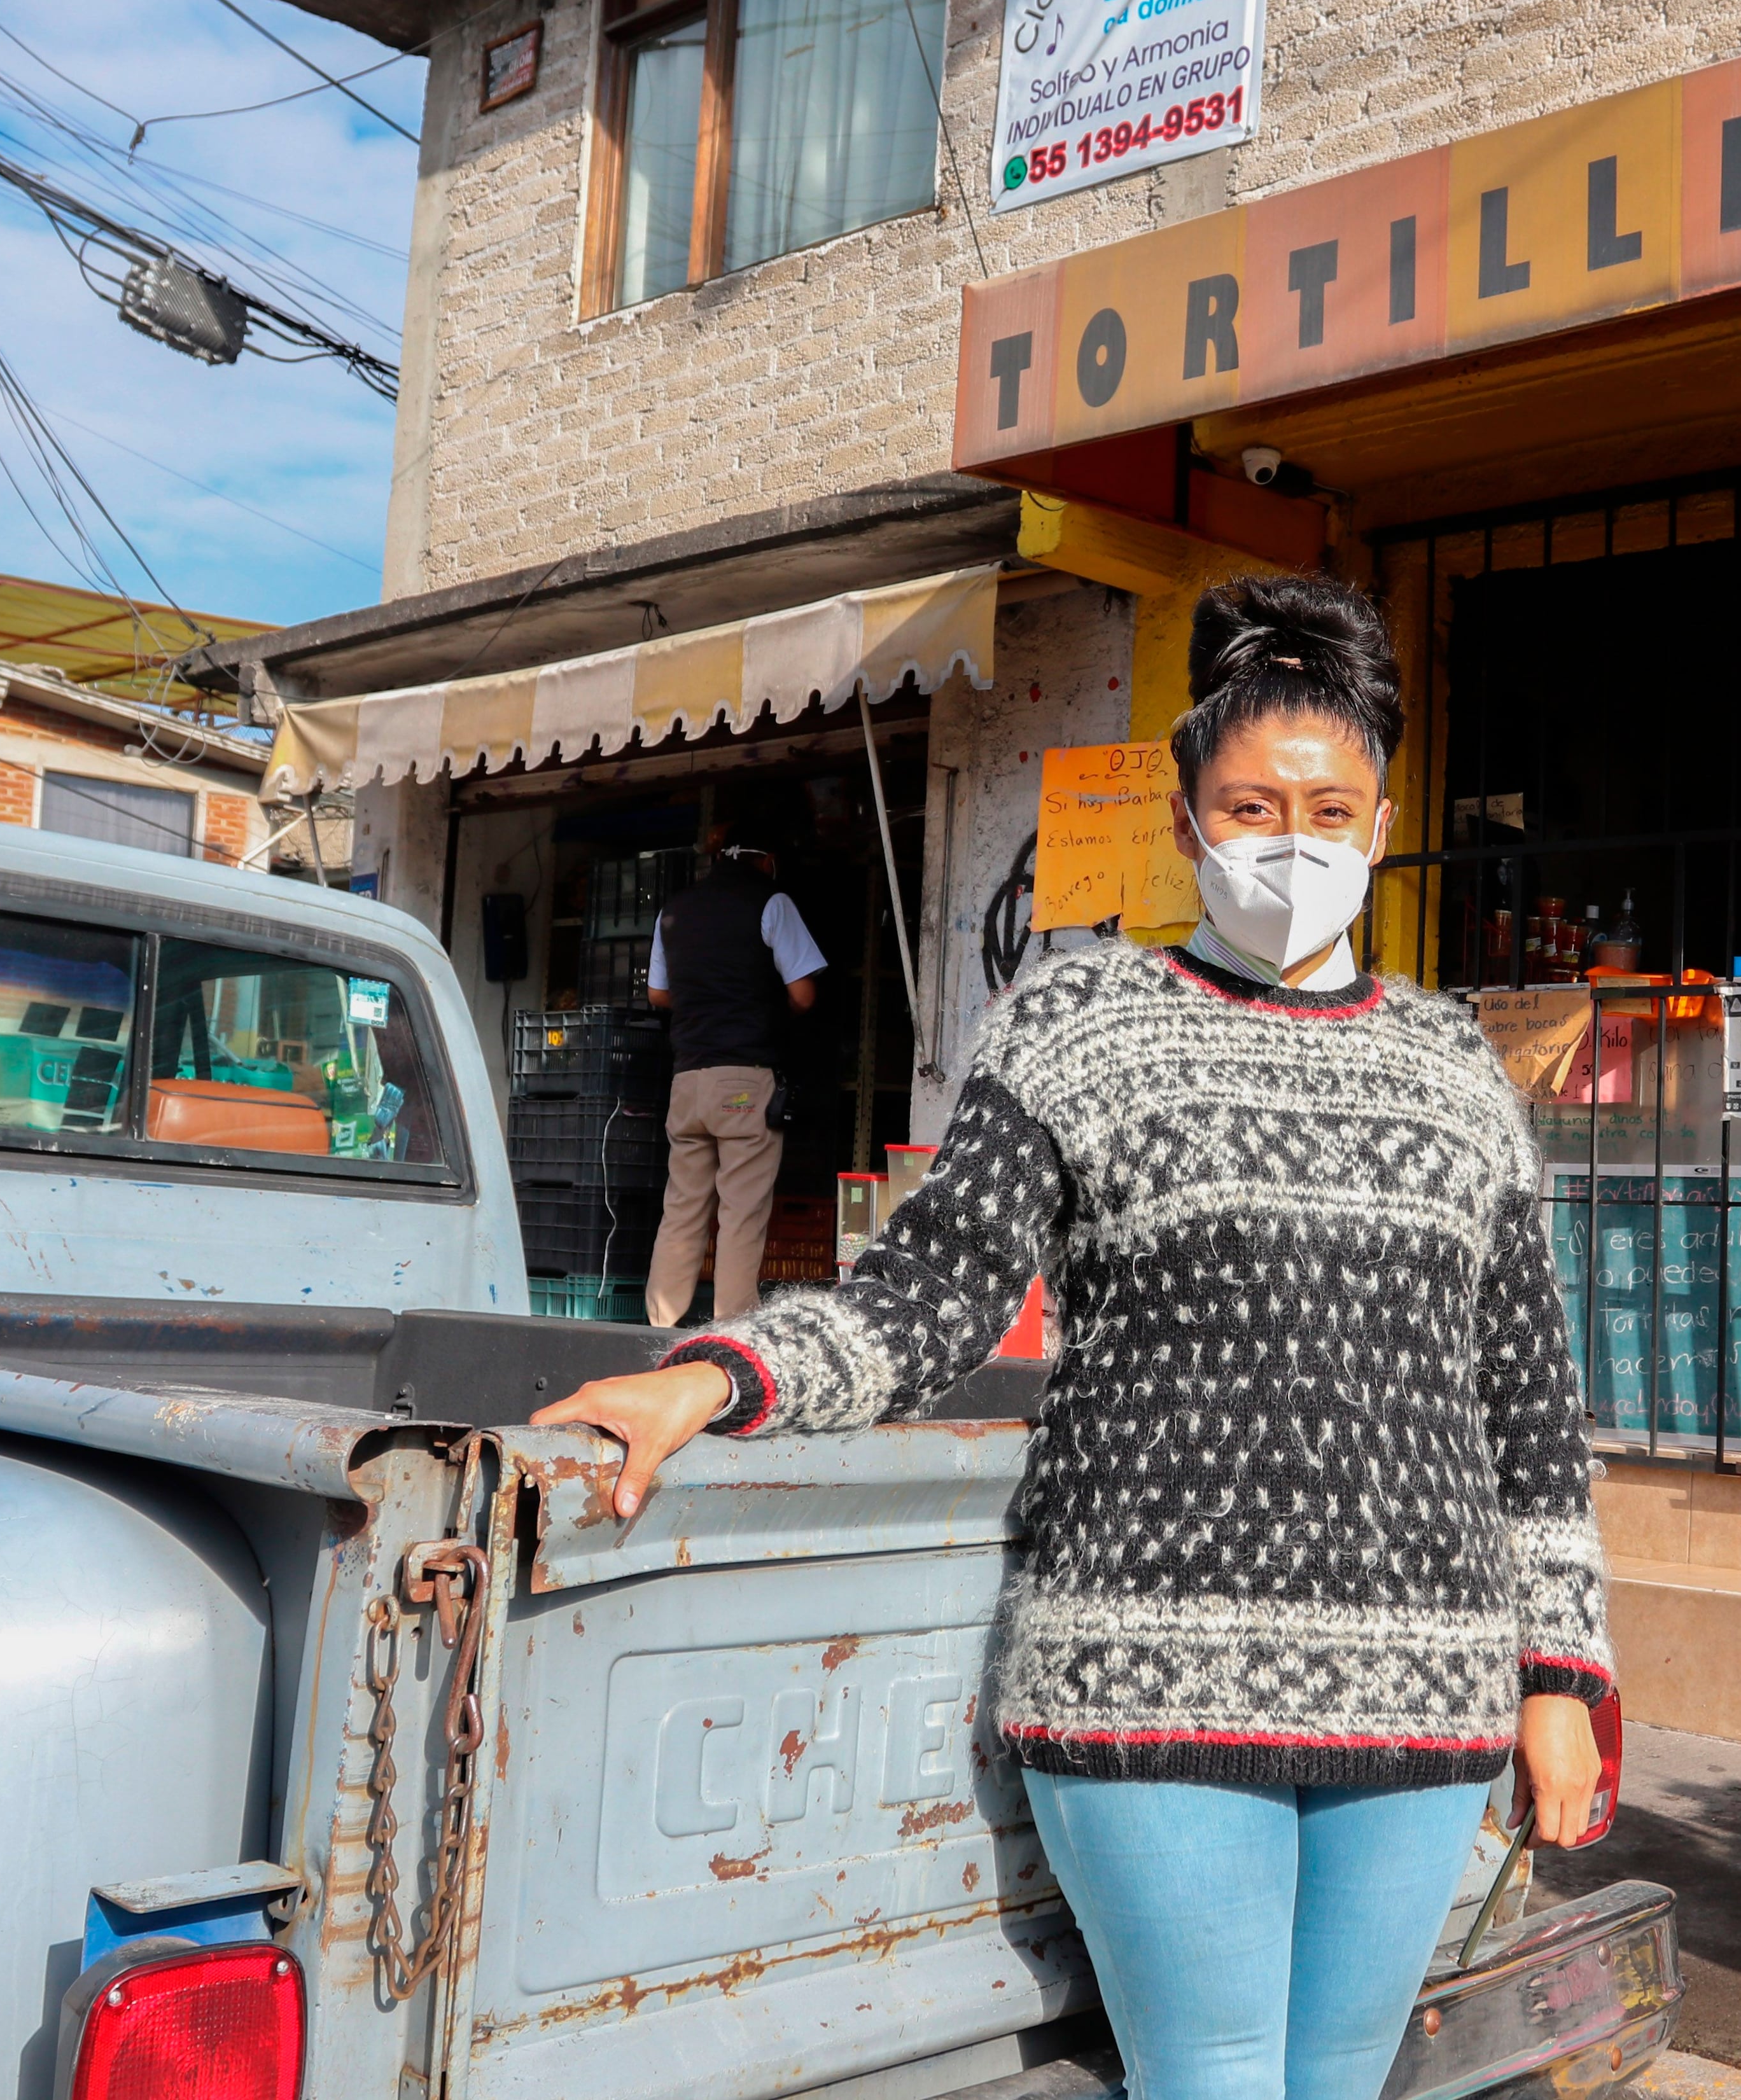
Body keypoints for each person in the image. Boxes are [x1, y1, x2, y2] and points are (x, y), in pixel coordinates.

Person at [534, 574, 1614, 2100]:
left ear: (1377, 830)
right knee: (1215, 2080)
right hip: (1142, 1668)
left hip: (1428, 1691)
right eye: (1249, 806)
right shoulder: (1083, 1020)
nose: (1288, 840)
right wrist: (719, 1375)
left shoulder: (1455, 1068)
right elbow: (934, 1291)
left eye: (1325, 807)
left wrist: (1559, 1681)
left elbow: (1527, 1406)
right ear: (1187, 825)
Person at [641, 824, 826, 1326]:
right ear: (765, 859)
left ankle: (660, 1325)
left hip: (688, 1081)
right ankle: (733, 1330)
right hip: (743, 1079)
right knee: (740, 1212)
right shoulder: (770, 902)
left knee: (682, 1209)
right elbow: (805, 993)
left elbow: (658, 995)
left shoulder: (675, 909)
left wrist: (705, 997)